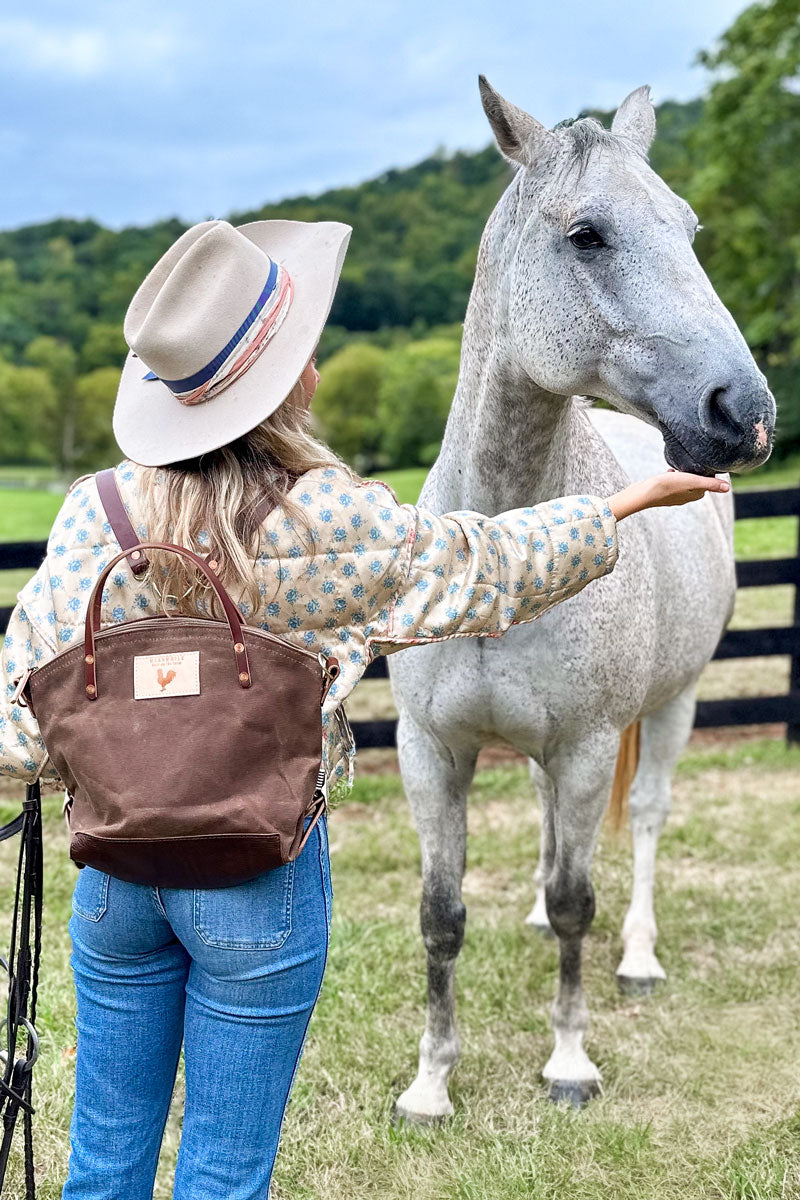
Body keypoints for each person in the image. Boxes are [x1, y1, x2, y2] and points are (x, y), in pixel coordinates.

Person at [0, 218, 729, 1199]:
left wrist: (102, 765)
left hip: (117, 882)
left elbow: (19, 719)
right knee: (223, 1167)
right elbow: (480, 567)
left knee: (105, 1150)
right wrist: (615, 508)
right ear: (289, 378)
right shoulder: (321, 515)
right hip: (257, 871)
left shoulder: (97, 512)